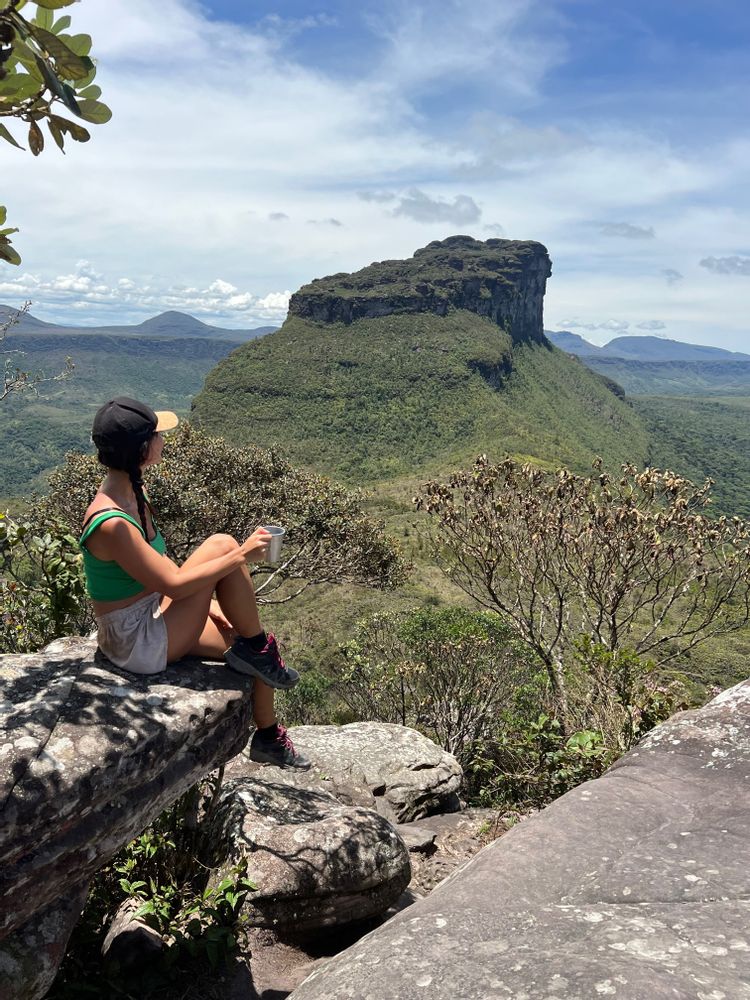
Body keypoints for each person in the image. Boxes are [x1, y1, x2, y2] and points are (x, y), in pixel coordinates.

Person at [79, 396, 310, 770]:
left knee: (249, 642)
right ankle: (258, 655)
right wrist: (242, 555)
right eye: (157, 435)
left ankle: (268, 738)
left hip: (154, 611)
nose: (163, 440)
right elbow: (174, 584)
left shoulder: (133, 492)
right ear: (141, 449)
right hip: (134, 640)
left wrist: (211, 607)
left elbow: (159, 570)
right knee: (225, 546)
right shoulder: (113, 522)